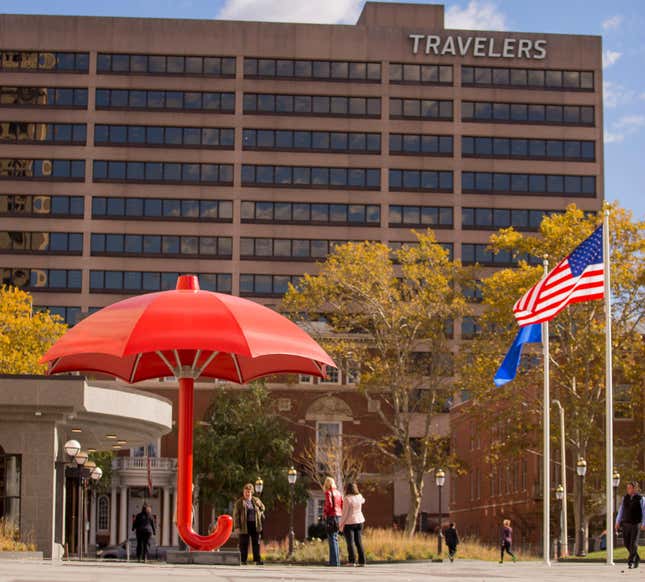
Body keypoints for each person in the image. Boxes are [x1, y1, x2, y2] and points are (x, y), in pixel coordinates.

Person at [233, 483, 265, 565]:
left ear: (252, 492)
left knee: (256, 543)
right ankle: (243, 560)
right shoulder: (239, 502)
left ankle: (257, 560)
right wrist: (237, 527)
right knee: (244, 543)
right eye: (245, 492)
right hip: (244, 526)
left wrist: (259, 508)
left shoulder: (256, 500)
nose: (247, 493)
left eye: (249, 492)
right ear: (243, 492)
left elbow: (263, 508)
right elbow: (236, 516)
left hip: (255, 525)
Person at [615, 480, 645, 569]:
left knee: (633, 543)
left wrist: (644, 523)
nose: (628, 489)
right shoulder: (625, 498)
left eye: (630, 488)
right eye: (627, 488)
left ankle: (631, 561)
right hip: (626, 524)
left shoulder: (641, 499)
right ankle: (637, 558)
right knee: (626, 543)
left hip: (636, 524)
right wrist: (617, 521)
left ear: (635, 488)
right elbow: (621, 510)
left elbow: (644, 512)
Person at [339, 482, 366, 567]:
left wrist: (340, 525)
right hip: (360, 521)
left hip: (350, 523)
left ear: (347, 489)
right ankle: (362, 561)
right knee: (358, 542)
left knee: (350, 543)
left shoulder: (347, 499)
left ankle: (352, 561)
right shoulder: (359, 496)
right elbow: (363, 500)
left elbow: (345, 513)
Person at [322, 476, 343, 567]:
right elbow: (342, 504)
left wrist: (324, 513)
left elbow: (329, 504)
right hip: (338, 516)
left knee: (332, 539)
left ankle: (333, 562)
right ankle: (336, 561)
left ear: (327, 484)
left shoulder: (328, 493)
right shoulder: (338, 493)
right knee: (335, 538)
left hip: (331, 516)